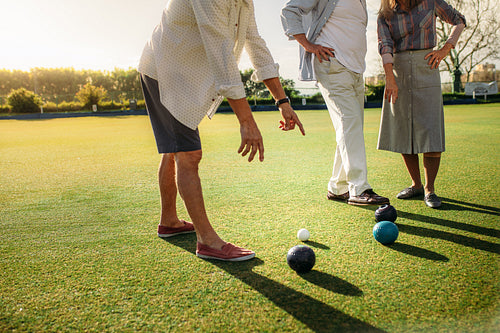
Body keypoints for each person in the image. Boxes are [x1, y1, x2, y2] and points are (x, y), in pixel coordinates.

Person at [138, 0, 305, 261]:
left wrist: (282, 101)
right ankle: (207, 241)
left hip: (186, 74)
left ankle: (169, 221)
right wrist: (246, 120)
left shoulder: (245, 2)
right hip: (165, 72)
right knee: (188, 154)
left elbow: (255, 43)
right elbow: (221, 52)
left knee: (176, 150)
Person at [281, 0, 390, 206]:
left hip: (356, 69)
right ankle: (359, 188)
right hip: (332, 65)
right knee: (350, 124)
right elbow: (289, 11)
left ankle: (338, 187)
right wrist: (309, 45)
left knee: (350, 126)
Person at [377, 0, 466, 208]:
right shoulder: (385, 13)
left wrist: (445, 49)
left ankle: (429, 189)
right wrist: (390, 78)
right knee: (404, 129)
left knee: (430, 128)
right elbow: (385, 45)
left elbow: (459, 21)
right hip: (397, 71)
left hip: (427, 66)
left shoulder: (431, 2)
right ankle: (416, 185)